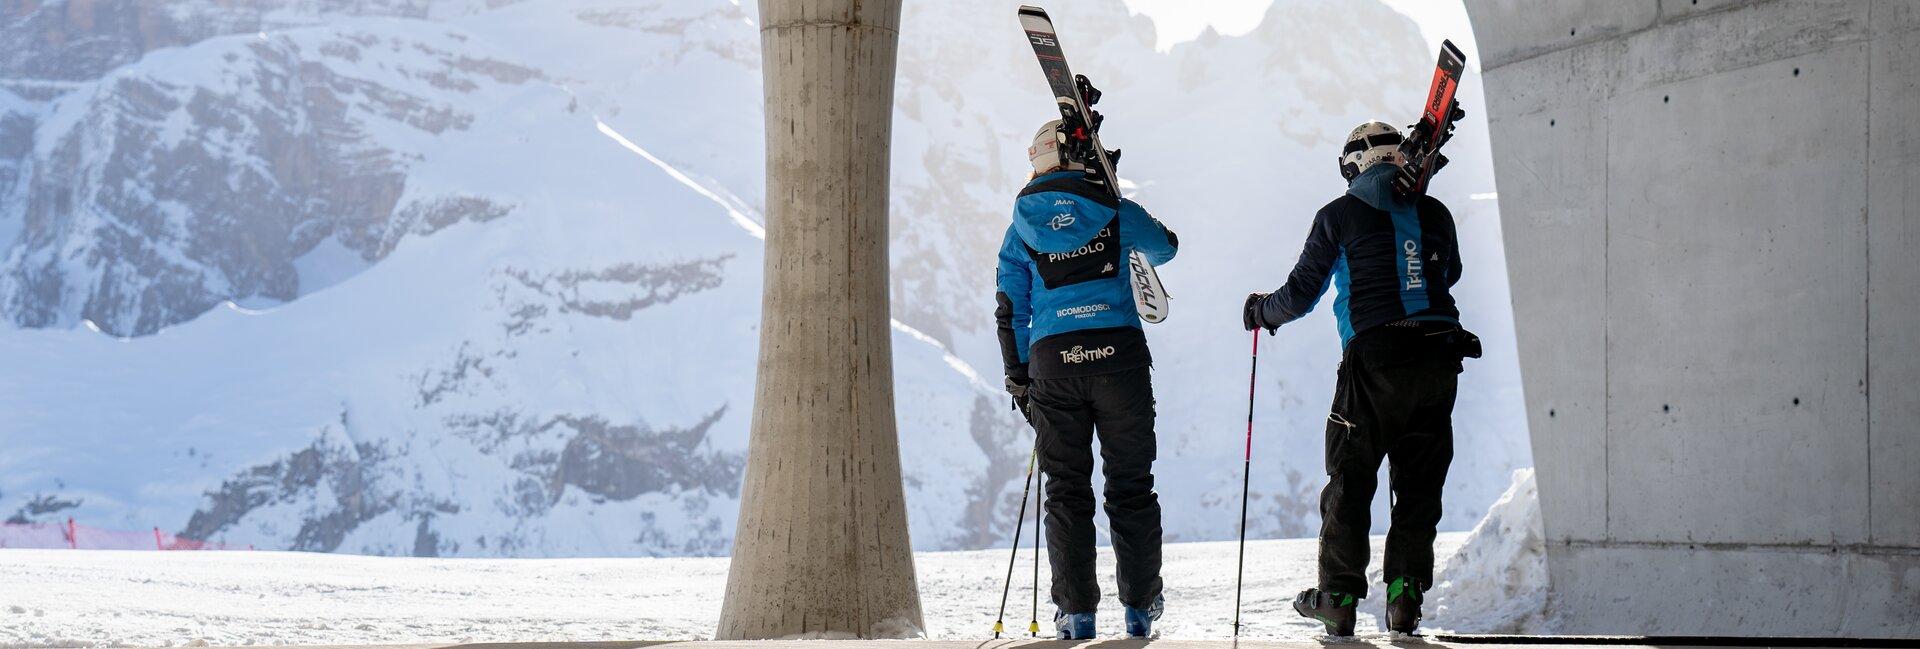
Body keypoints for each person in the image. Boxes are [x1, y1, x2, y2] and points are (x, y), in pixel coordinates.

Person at [1243, 120, 1479, 636]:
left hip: (1374, 357)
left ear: (1352, 167)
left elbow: (1301, 295)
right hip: (1440, 355)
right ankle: (1404, 597)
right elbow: (1450, 273)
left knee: (1351, 476)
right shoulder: (1434, 211)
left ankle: (1339, 597)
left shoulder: (1339, 214)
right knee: (1419, 484)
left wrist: (1262, 312)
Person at [996, 119, 1178, 639]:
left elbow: (1010, 309)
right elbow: (1166, 248)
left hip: (1053, 365)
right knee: (1131, 486)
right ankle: (1140, 607)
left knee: (1067, 489)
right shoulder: (1116, 211)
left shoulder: (1019, 228)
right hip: (1120, 360)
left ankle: (1076, 614)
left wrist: (1019, 378)